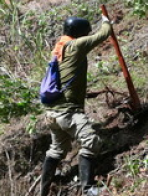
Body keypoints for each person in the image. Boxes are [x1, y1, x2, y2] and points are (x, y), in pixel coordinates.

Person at [40, 16, 113, 196]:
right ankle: (88, 188)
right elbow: (104, 33)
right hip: (68, 112)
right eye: (85, 32)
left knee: (57, 150)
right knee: (91, 142)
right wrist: (106, 20)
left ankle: (44, 190)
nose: (87, 34)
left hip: (52, 113)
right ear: (79, 33)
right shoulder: (76, 46)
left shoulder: (59, 48)